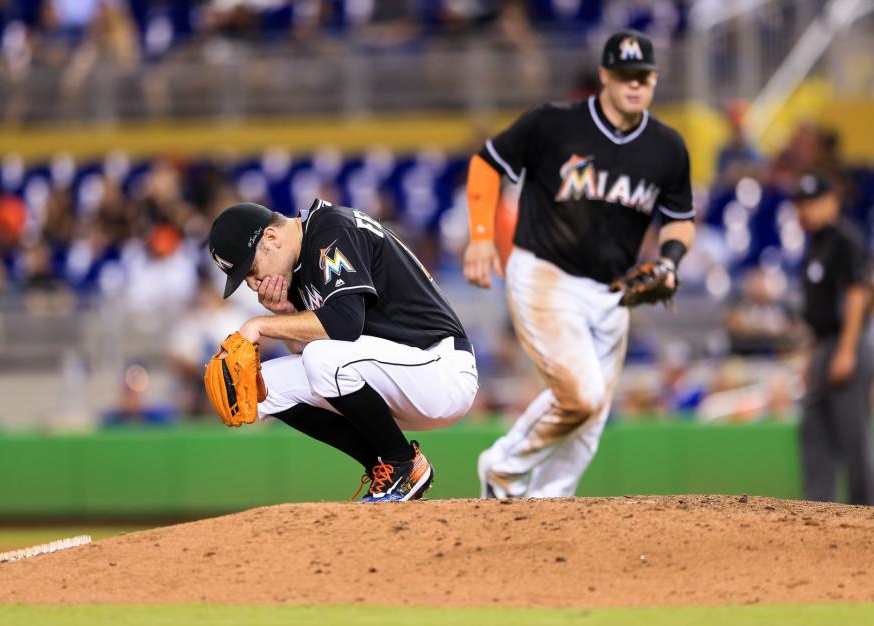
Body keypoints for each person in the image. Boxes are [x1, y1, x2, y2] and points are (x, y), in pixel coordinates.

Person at [463, 29, 695, 498]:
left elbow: (680, 220)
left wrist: (669, 262)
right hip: (547, 275)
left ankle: (550, 506)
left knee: (593, 414)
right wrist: (482, 237)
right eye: (625, 74)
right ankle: (502, 467)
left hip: (614, 291)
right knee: (582, 394)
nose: (635, 84)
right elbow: (486, 163)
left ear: (654, 81)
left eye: (644, 76)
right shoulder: (554, 124)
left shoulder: (667, 148)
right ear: (605, 76)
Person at [207, 200, 478, 502]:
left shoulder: (331, 230)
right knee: (267, 386)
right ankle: (383, 468)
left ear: (271, 237)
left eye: (251, 269)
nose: (253, 284)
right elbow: (314, 349)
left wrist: (261, 324)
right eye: (244, 278)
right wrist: (287, 313)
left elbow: (345, 324)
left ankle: (403, 463)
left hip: (437, 368)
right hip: (395, 377)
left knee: (322, 358)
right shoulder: (299, 265)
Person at [795, 172, 874, 505]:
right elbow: (815, 309)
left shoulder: (846, 239)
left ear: (832, 201)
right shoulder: (815, 245)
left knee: (854, 435)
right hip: (823, 345)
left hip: (848, 341)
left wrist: (847, 349)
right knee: (812, 426)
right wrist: (811, 356)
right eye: (802, 203)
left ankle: (870, 517)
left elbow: (857, 294)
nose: (806, 209)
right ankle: (819, 512)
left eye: (813, 201)